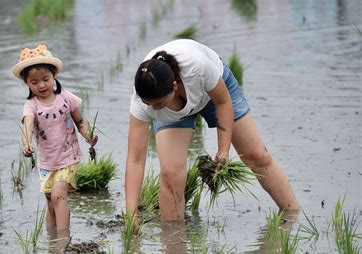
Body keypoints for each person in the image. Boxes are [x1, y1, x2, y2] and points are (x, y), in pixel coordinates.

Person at [125, 39, 299, 222]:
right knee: (171, 175)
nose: (154, 108)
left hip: (211, 94)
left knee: (256, 156)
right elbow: (135, 159)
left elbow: (223, 102)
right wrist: (131, 213)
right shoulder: (142, 101)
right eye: (148, 104)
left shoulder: (197, 68)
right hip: (174, 112)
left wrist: (223, 151)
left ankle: (293, 219)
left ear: (174, 87)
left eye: (159, 103)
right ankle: (173, 244)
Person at [12, 43, 97, 230]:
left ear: (54, 76)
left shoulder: (66, 98)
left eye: (45, 79)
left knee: (59, 196)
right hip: (47, 161)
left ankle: (62, 240)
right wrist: (26, 143)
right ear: (26, 83)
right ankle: (51, 242)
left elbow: (80, 122)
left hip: (68, 156)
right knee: (51, 203)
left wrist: (88, 136)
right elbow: (27, 125)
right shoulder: (31, 106)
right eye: (34, 82)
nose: (41, 85)